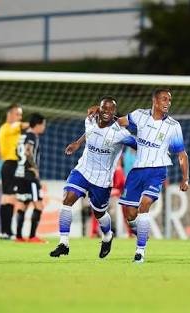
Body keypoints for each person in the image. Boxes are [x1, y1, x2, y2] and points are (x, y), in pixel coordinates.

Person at [49, 96, 136, 259]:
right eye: (104, 109)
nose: (107, 112)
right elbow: (89, 132)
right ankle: (64, 243)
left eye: (111, 110)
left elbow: (136, 144)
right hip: (83, 170)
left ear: (114, 112)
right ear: (99, 109)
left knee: (99, 213)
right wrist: (78, 143)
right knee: (67, 200)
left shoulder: (120, 134)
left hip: (102, 179)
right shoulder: (90, 119)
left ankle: (108, 236)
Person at [115, 88, 189, 263]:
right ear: (154, 101)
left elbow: (181, 154)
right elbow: (119, 122)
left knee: (145, 205)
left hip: (157, 171)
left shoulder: (173, 126)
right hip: (137, 170)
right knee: (130, 214)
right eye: (164, 99)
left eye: (169, 100)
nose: (167, 103)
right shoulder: (139, 115)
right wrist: (102, 116)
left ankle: (140, 252)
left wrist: (185, 177)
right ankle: (139, 229)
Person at [0, 103, 29, 240]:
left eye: (21, 115)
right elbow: (20, 126)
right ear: (9, 114)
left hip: (7, 165)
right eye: (17, 114)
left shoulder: (5, 129)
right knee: (10, 198)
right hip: (11, 165)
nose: (20, 117)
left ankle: (4, 232)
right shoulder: (9, 127)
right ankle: (8, 232)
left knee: (5, 199)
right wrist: (32, 124)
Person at [14, 113, 47, 243]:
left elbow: (18, 152)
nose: (44, 127)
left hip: (20, 173)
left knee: (23, 204)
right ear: (38, 125)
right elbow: (28, 151)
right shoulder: (32, 136)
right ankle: (33, 236)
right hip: (29, 175)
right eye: (43, 125)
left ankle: (18, 237)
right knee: (39, 205)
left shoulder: (22, 136)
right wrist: (34, 168)